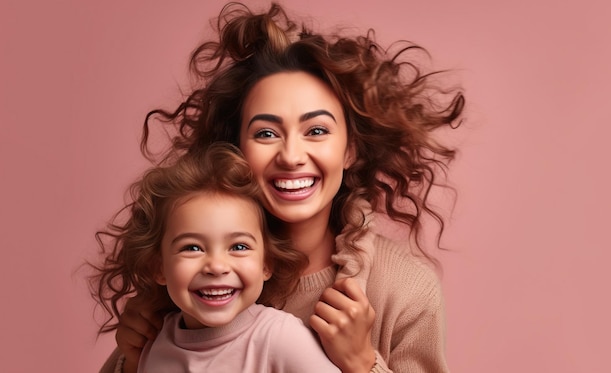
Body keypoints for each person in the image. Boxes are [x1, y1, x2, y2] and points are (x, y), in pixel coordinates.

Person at [101, 2, 465, 372]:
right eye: (266, 133)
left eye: (317, 131)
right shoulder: (196, 268)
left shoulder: (404, 289)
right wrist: (131, 358)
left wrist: (362, 362)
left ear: (350, 149)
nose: (291, 156)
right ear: (235, 148)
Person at [90, 143, 340, 372]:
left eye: (239, 247)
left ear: (267, 263)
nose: (216, 266)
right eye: (192, 248)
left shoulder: (281, 338)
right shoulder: (154, 346)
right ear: (159, 267)